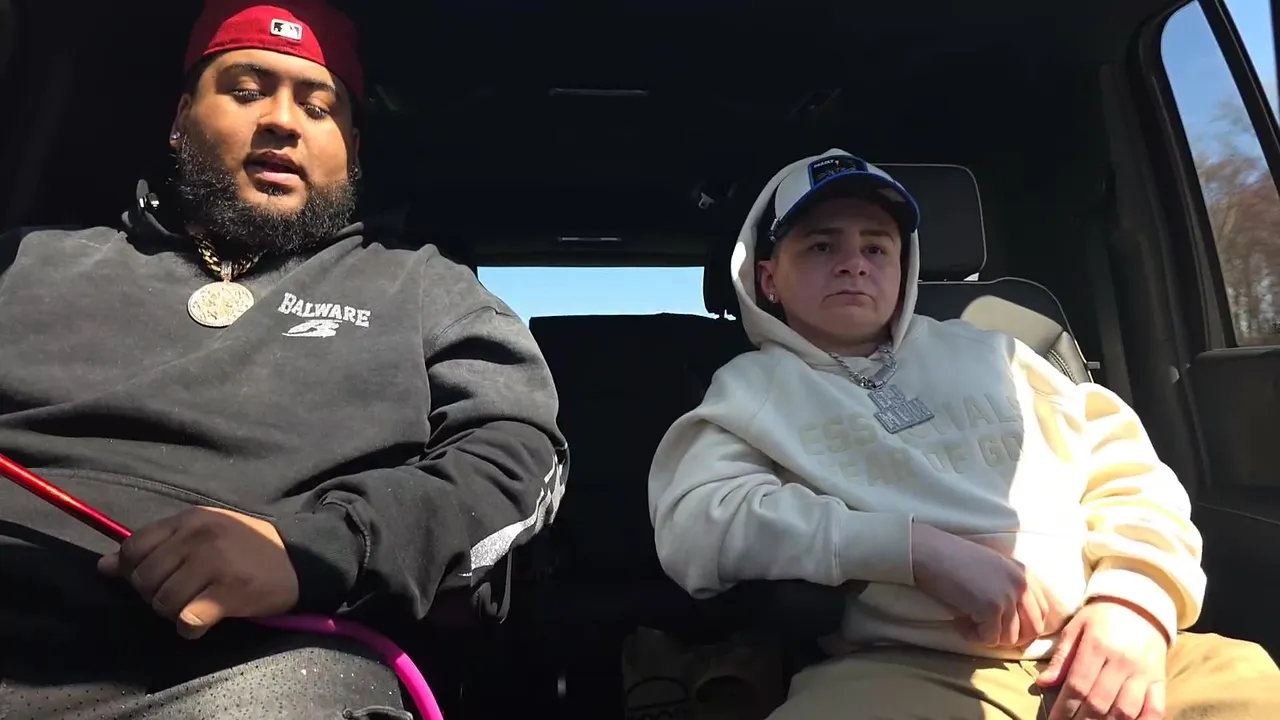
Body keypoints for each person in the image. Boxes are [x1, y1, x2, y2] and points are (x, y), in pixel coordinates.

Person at [0, 1, 566, 717]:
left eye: (318, 107)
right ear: (180, 119)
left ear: (352, 150)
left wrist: (314, 549)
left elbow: (514, 457)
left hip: (257, 668)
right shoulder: (28, 264)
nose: (282, 121)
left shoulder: (427, 288)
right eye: (245, 91)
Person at [648, 149, 1280, 719]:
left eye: (877, 248)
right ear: (767, 278)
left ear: (904, 268)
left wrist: (1135, 602)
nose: (853, 265)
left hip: (1109, 644)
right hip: (903, 670)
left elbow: (1129, 476)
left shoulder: (1001, 353)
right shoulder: (752, 387)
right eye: (820, 246)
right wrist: (915, 551)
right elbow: (698, 522)